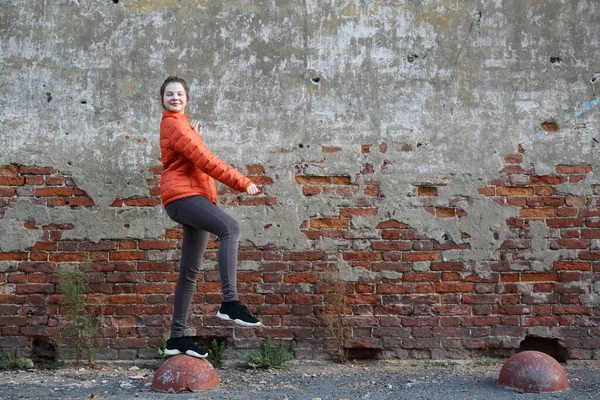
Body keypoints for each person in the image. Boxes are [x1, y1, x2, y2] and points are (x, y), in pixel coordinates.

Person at [158, 75, 262, 359]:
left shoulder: (182, 127)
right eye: (169, 94)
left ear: (187, 99)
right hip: (184, 197)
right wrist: (241, 182)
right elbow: (205, 160)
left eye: (180, 93)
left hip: (191, 197)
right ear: (163, 100)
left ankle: (176, 338)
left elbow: (188, 156)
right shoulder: (174, 124)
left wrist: (195, 136)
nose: (175, 97)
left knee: (189, 271)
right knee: (230, 228)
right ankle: (230, 302)